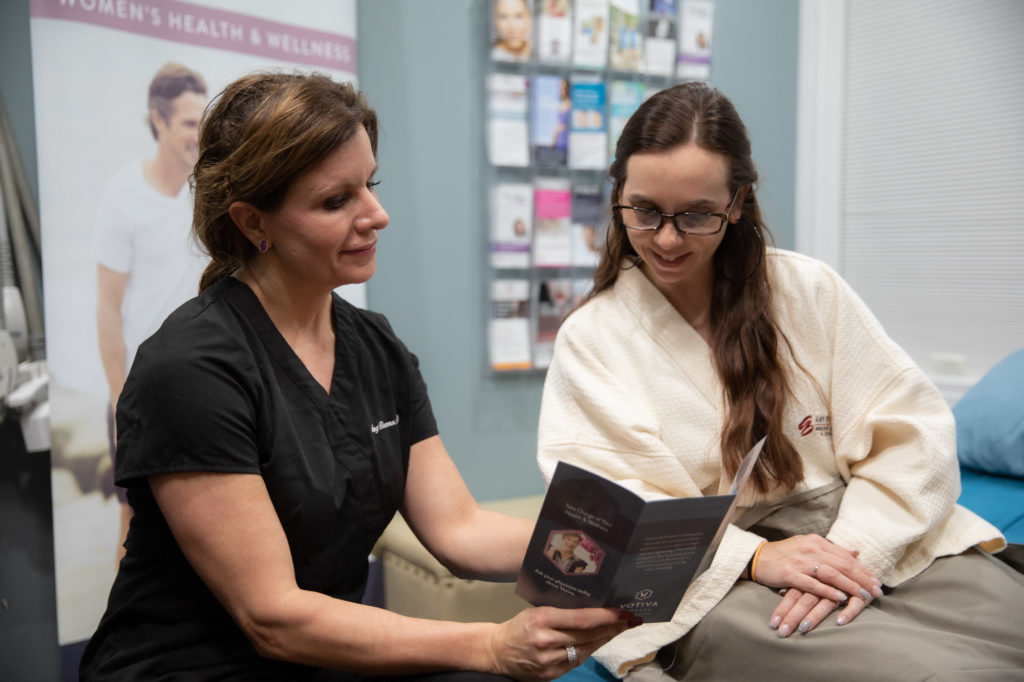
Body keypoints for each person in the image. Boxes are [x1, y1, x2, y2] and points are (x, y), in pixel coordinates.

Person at [80, 72, 636, 681]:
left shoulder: (375, 348)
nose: (378, 215)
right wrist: (490, 645)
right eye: (335, 201)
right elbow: (273, 615)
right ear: (253, 222)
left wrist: (618, 550)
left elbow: (459, 528)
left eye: (369, 184)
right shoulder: (191, 370)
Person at [536, 82, 1024, 680]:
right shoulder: (594, 339)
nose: (665, 238)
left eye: (695, 215)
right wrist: (757, 557)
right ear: (619, 195)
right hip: (711, 579)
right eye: (644, 210)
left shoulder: (808, 291)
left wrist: (849, 554)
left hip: (868, 535)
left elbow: (913, 435)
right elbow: (609, 515)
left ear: (736, 203)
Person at [93, 62, 209, 562]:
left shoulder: (211, 194)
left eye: (204, 122)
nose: (199, 135)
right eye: (189, 123)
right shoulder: (122, 197)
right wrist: (121, 401)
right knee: (135, 523)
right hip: (142, 394)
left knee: (212, 521)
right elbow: (107, 308)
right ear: (158, 121)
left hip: (208, 385)